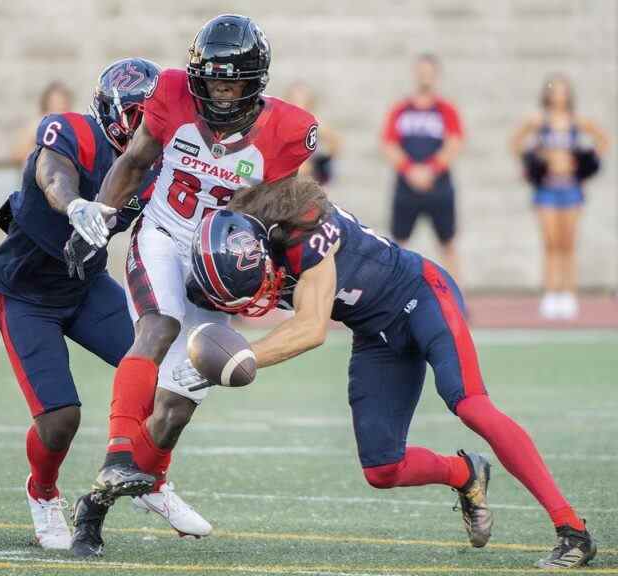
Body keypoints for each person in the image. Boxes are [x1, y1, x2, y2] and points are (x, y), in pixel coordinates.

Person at [178, 177, 597, 570]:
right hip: (376, 334)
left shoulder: (301, 231)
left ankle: (571, 529)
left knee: (470, 405)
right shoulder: (239, 246)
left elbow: (310, 329)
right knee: (383, 468)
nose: (252, 297)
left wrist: (241, 358)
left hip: (420, 293)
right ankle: (464, 473)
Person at [63, 14, 319, 556]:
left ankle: (98, 505)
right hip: (162, 234)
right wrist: (101, 221)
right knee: (156, 328)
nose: (220, 93)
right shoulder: (172, 94)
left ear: (255, 82)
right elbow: (134, 162)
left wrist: (268, 268)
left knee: (180, 403)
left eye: (231, 82)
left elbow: (270, 209)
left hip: (213, 257)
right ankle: (116, 456)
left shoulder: (287, 131)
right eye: (211, 81)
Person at [0, 58, 161, 550]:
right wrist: (75, 203)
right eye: (139, 115)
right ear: (114, 111)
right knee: (60, 421)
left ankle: (151, 477)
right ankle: (42, 493)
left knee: (155, 368)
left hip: (83, 286)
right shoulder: (72, 130)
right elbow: (51, 172)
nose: (148, 126)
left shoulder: (152, 164)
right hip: (25, 292)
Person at [510, 74, 609, 320]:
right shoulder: (538, 121)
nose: (559, 96)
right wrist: (530, 162)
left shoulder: (576, 121)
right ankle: (551, 293)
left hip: (571, 188)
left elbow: (603, 140)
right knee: (551, 241)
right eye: (555, 91)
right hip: (547, 189)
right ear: (548, 95)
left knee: (568, 242)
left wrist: (586, 162)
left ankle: (569, 294)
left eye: (563, 91)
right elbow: (516, 142)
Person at [381, 53, 464, 282]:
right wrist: (410, 170)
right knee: (397, 243)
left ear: (436, 75)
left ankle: (457, 299)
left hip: (438, 187)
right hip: (406, 187)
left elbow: (454, 142)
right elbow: (388, 143)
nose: (425, 77)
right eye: (421, 72)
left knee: (447, 244)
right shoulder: (401, 109)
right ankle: (392, 295)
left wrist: (431, 169)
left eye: (430, 72)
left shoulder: (446, 109)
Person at [284, 81, 342, 185]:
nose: (300, 107)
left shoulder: (317, 130)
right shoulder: (280, 128)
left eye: (304, 102)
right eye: (295, 102)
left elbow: (335, 145)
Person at [12, 81, 73, 166]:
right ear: (47, 104)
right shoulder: (36, 125)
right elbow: (17, 155)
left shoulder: (73, 127)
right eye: (55, 102)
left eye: (62, 102)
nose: (59, 106)